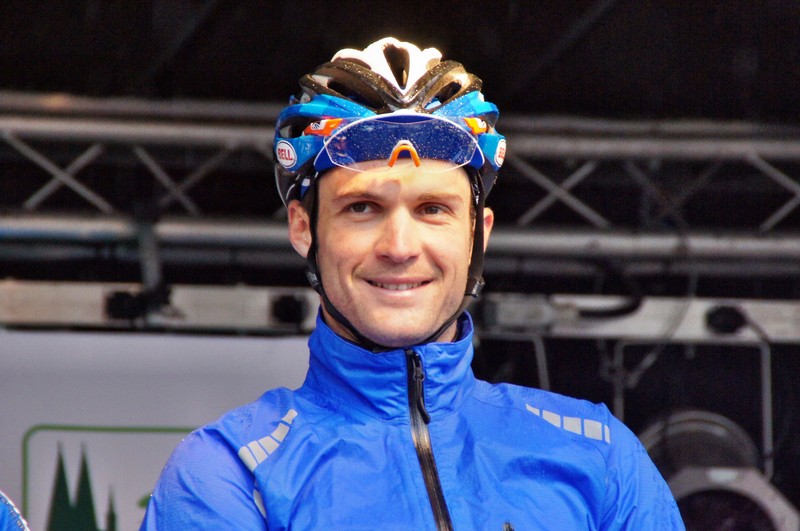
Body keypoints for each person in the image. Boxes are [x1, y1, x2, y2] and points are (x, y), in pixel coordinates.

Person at [141, 37, 684, 530]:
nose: (399, 247)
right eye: (362, 207)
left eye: (432, 209)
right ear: (304, 229)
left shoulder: (598, 454)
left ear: (478, 233)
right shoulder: (229, 471)